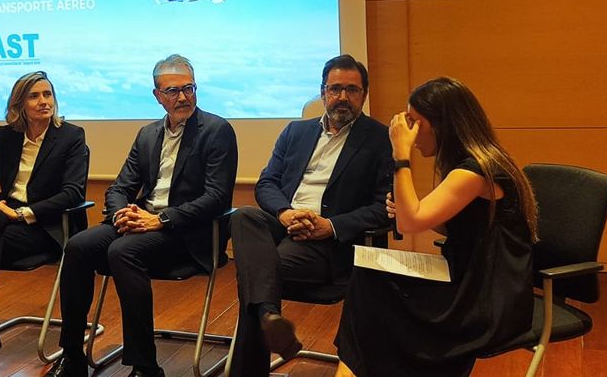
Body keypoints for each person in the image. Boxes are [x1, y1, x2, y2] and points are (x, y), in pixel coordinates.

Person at [45, 55, 238, 377]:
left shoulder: (217, 130)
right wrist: (123, 213)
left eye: (188, 88)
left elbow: (217, 198)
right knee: (78, 246)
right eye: (173, 91)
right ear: (157, 95)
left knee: (122, 251)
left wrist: (160, 220)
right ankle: (73, 356)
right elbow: (121, 186)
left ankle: (144, 366)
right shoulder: (148, 134)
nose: (183, 97)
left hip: (187, 233)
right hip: (141, 222)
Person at [335, 77, 539, 377]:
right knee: (368, 280)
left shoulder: (475, 171)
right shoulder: (472, 164)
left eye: (416, 123)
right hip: (471, 280)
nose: (413, 135)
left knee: (372, 292)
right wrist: (408, 209)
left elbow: (410, 222)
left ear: (443, 124)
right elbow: (453, 225)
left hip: (486, 299)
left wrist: (400, 154)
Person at [228, 54, 392, 377]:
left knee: (256, 273)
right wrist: (286, 213)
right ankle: (269, 317)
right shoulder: (295, 132)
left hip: (329, 244)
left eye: (352, 90)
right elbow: (267, 183)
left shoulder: (379, 139)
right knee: (243, 216)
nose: (342, 97)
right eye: (335, 89)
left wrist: (329, 226)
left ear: (364, 94)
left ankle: (264, 319)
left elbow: (382, 208)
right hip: (284, 223)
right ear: (322, 92)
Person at [0, 71, 89, 377]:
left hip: (46, 227)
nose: (44, 102)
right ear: (19, 104)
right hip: (5, 221)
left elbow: (72, 193)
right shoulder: (6, 136)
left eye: (48, 94)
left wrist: (22, 213)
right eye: (34, 96)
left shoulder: (71, 135)